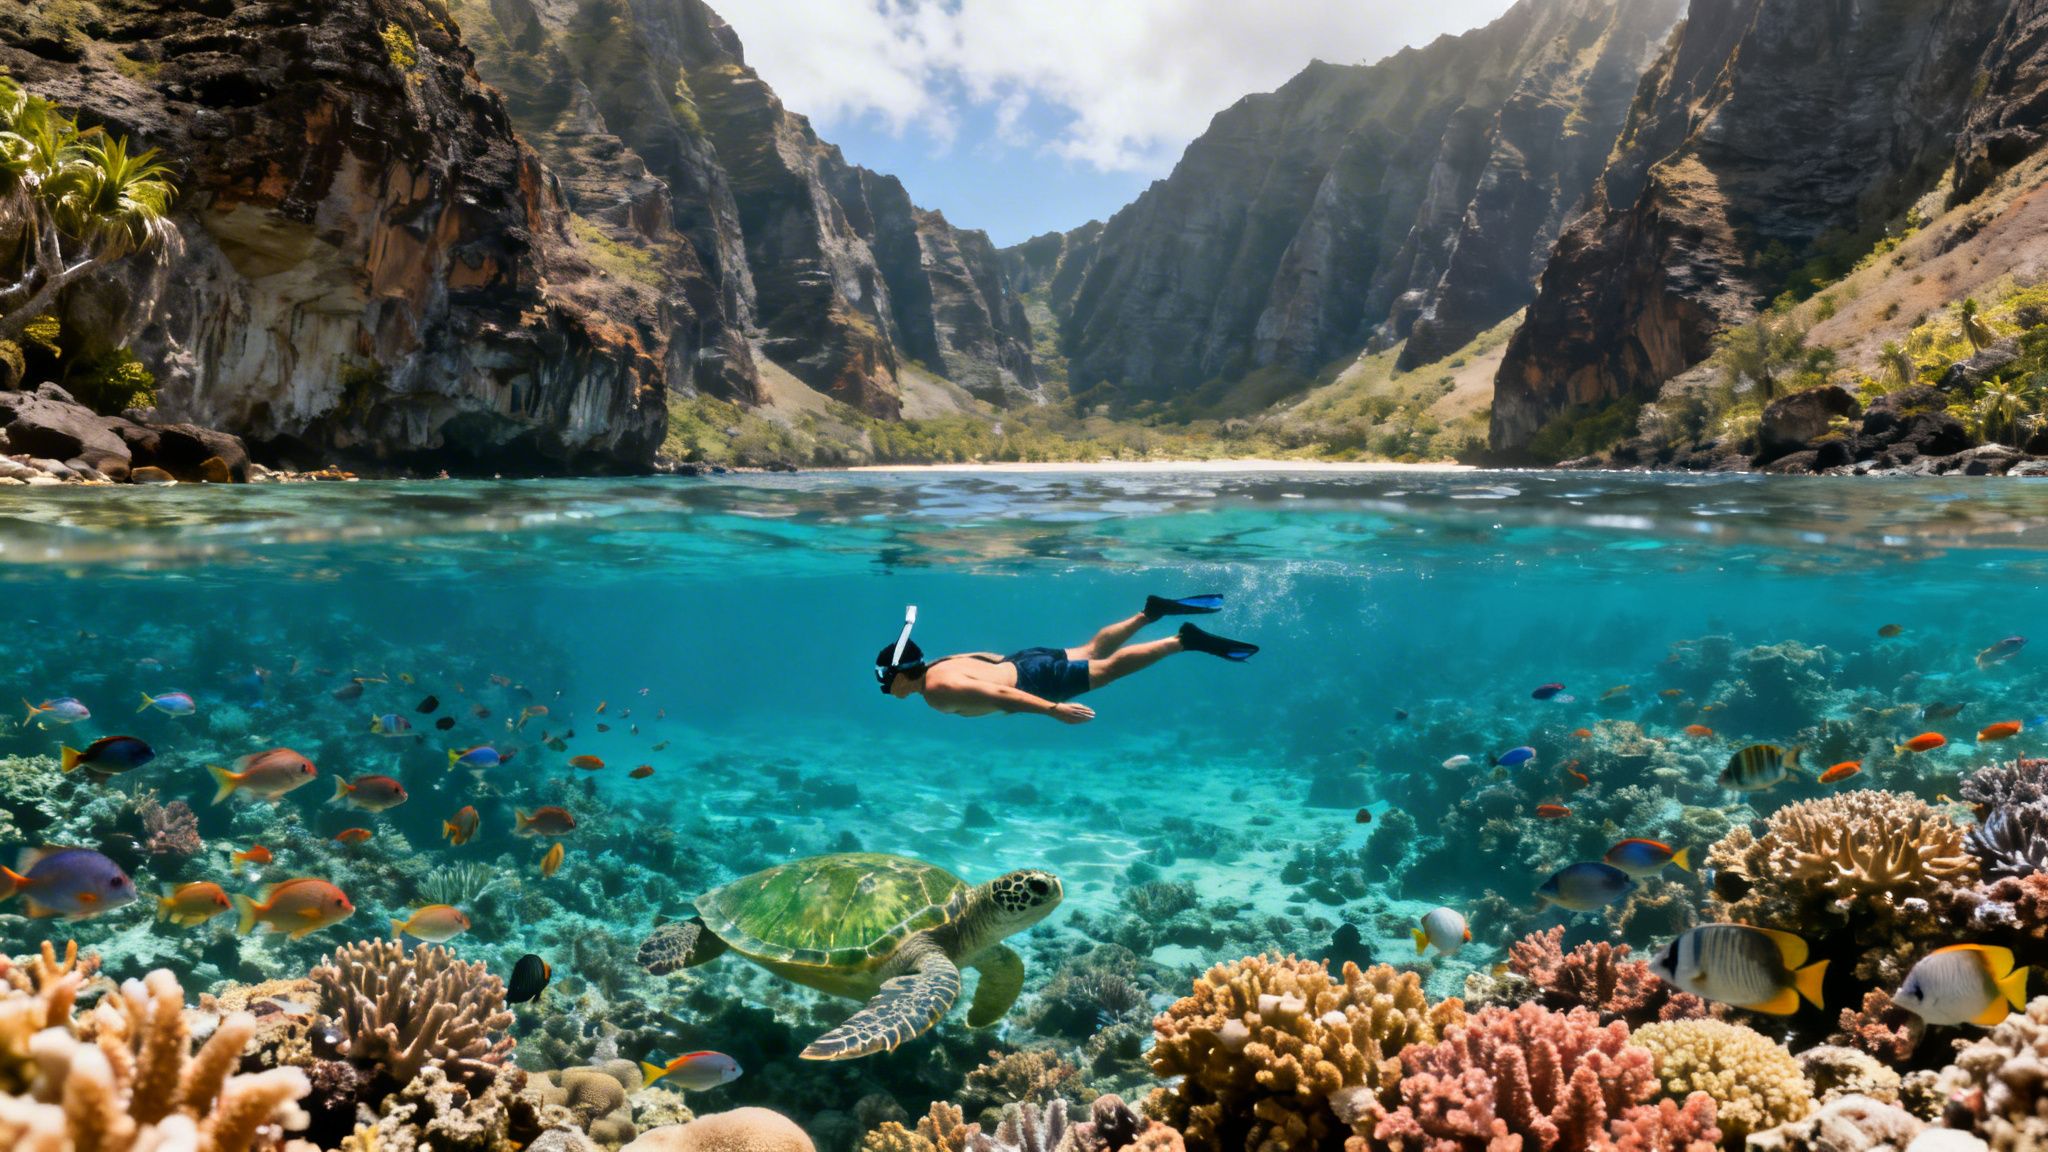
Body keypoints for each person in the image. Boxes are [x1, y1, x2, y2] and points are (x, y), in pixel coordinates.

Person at [874, 596, 1257, 724]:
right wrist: (1012, 669)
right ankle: (1149, 613)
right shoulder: (940, 664)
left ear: (902, 675)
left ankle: (1182, 641)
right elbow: (986, 658)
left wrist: (1053, 709)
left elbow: (1002, 697)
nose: (884, 686)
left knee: (1106, 670)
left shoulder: (938, 689)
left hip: (1032, 682)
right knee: (1092, 649)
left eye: (885, 678)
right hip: (1025, 660)